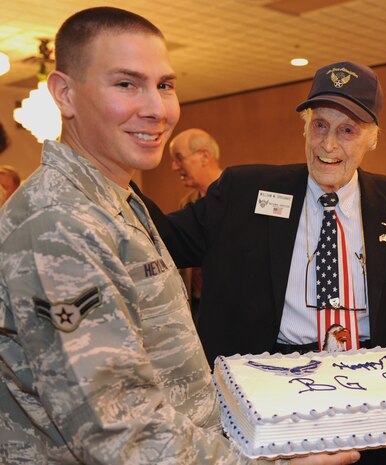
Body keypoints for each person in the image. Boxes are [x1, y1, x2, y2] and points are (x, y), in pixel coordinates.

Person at [0, 7, 358, 465]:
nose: (156, 109)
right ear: (64, 94)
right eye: (126, 84)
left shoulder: (114, 201)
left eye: (164, 85)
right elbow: (119, 433)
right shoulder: (59, 224)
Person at [145, 61, 386, 465]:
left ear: (372, 138)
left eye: (347, 130)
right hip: (270, 396)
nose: (328, 145)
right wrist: (112, 169)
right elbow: (159, 240)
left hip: (370, 400)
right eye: (320, 125)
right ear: (305, 126)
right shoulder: (244, 192)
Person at [169, 128, 223, 319]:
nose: (174, 167)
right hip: (198, 306)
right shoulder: (187, 204)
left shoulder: (239, 194)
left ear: (204, 156)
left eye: (179, 158)